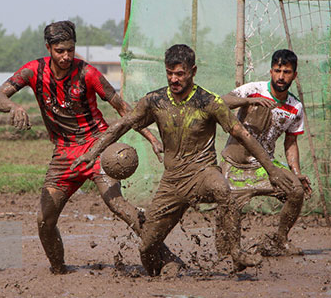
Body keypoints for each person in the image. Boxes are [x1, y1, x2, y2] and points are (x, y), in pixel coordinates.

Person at [71, 44, 295, 276]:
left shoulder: (209, 102)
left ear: (193, 71)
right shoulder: (155, 101)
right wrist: (92, 153)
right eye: (169, 73)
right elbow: (123, 124)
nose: (174, 79)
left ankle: (235, 251)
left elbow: (243, 134)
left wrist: (272, 169)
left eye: (180, 73)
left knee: (222, 189)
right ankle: (167, 268)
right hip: (172, 183)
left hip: (202, 174)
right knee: (147, 246)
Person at [0, 20, 165, 274]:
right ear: (48, 47)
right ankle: (59, 270)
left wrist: (151, 137)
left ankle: (166, 256)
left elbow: (123, 108)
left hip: (97, 147)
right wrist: (14, 107)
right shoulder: (32, 71)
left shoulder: (88, 73)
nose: (66, 56)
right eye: (60, 50)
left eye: (70, 49)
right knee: (44, 220)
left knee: (118, 205)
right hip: (64, 155)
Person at [220, 49, 312, 256]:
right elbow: (221, 102)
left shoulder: (295, 107)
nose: (281, 76)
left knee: (295, 190)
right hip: (235, 165)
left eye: (287, 72)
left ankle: (280, 241)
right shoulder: (254, 89)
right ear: (271, 71)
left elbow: (291, 143)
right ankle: (228, 251)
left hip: (265, 167)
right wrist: (248, 101)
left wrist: (296, 172)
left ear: (294, 75)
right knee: (225, 234)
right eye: (278, 71)